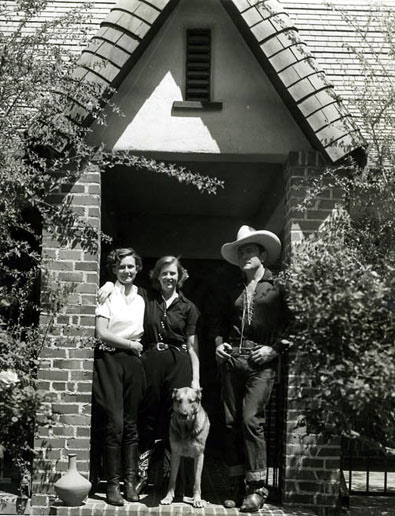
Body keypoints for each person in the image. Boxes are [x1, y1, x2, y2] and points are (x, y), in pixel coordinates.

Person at [99, 256, 200, 485]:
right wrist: (107, 284)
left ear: (180, 276)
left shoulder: (189, 307)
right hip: (151, 360)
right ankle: (141, 473)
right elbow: (124, 285)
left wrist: (195, 378)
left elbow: (193, 348)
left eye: (173, 273)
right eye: (164, 273)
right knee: (147, 413)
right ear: (157, 276)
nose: (169, 277)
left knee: (173, 416)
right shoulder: (146, 298)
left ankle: (171, 477)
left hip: (179, 363)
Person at [214, 225, 287, 512]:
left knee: (250, 420)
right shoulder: (233, 290)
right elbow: (217, 325)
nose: (244, 255)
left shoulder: (278, 287)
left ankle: (257, 488)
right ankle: (235, 484)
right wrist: (219, 344)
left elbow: (295, 323)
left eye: (249, 250)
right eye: (241, 251)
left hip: (261, 362)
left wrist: (274, 349)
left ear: (262, 255)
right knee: (231, 422)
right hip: (233, 361)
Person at [93, 248, 146, 506]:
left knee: (131, 424)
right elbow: (101, 333)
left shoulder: (140, 297)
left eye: (131, 267)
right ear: (114, 269)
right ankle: (112, 484)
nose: (127, 271)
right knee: (114, 423)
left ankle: (130, 483)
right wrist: (129, 345)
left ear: (137, 269)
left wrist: (132, 349)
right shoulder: (106, 294)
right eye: (122, 267)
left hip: (133, 362)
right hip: (110, 359)